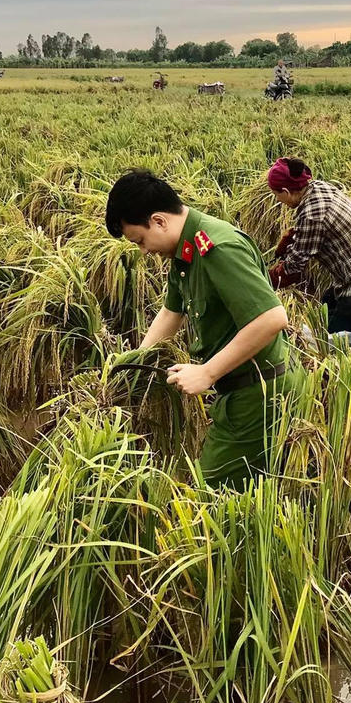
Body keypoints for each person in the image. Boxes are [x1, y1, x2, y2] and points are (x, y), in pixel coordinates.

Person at [106, 170, 301, 487]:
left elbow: (272, 318)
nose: (143, 251)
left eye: (140, 241)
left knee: (208, 494)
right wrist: (133, 364)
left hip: (260, 394)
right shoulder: (185, 251)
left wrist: (207, 372)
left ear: (158, 221)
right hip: (238, 390)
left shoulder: (217, 249)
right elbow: (171, 312)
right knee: (248, 490)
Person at [266, 157, 351, 333]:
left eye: (276, 194)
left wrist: (265, 281)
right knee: (325, 305)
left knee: (334, 339)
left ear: (286, 191)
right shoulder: (317, 187)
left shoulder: (311, 215)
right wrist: (289, 240)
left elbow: (294, 267)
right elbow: (313, 232)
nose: (278, 200)